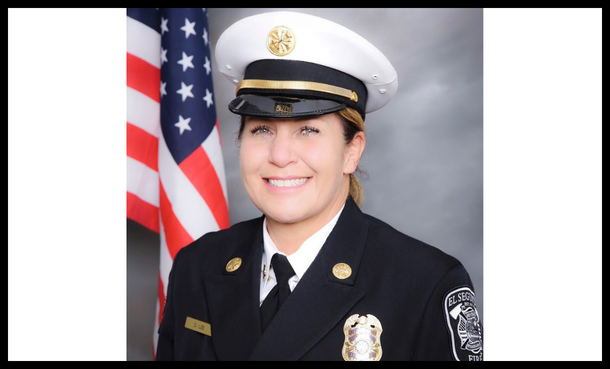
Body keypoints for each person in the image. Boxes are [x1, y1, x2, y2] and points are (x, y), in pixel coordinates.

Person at [155, 10, 483, 361]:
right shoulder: (198, 265)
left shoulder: (426, 284)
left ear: (351, 152)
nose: (280, 156)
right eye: (261, 129)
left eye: (308, 130)